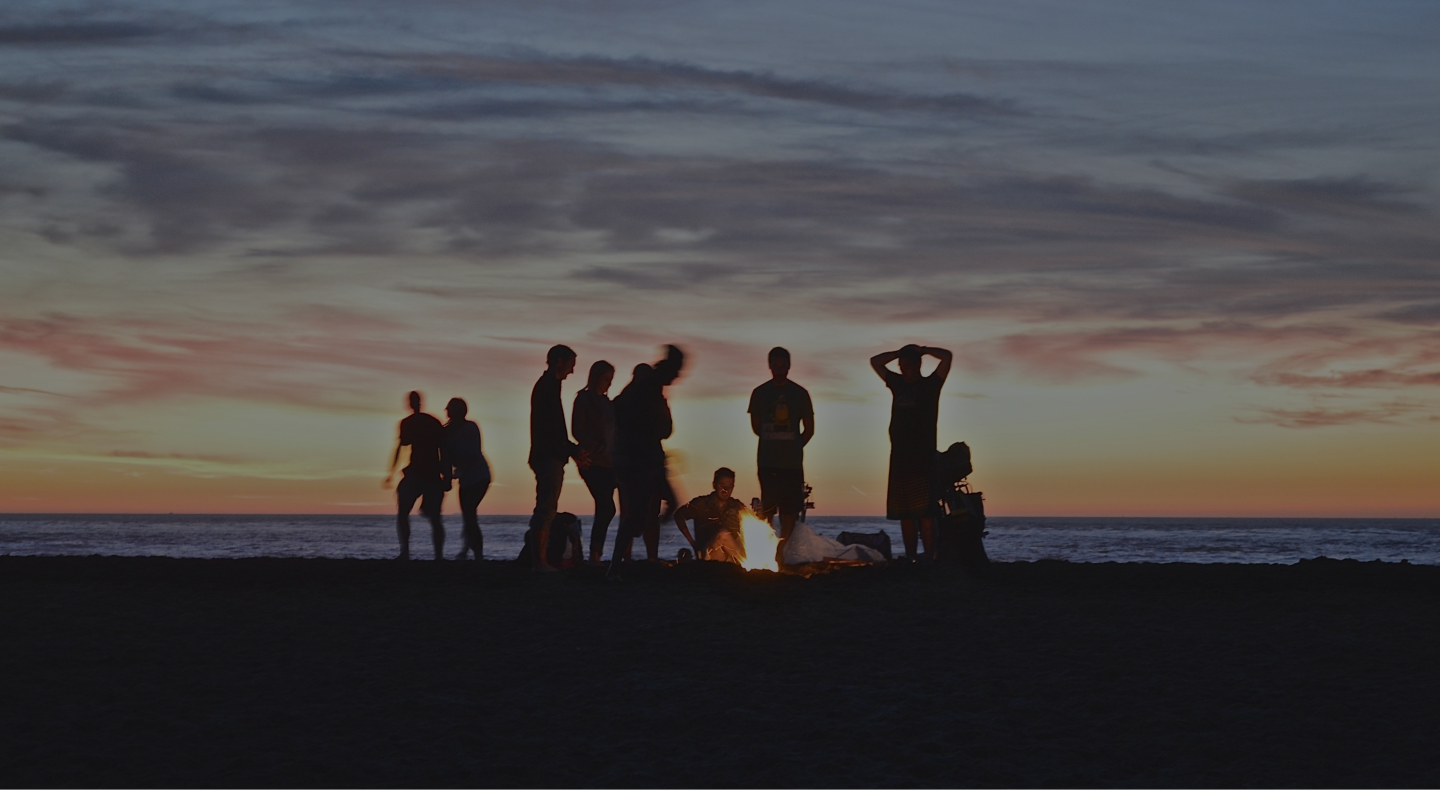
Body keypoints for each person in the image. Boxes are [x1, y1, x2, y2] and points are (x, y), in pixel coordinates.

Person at [870, 344, 953, 561]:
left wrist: (923, 349)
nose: (903, 369)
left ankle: (929, 556)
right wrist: (898, 353)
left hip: (922, 457)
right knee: (904, 514)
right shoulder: (897, 383)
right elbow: (875, 361)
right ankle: (910, 556)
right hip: (899, 457)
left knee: (925, 513)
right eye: (901, 366)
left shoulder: (930, 385)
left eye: (907, 365)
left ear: (917, 365)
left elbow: (947, 357)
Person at [608, 345, 684, 580]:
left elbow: (664, 428)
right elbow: (660, 428)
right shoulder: (647, 387)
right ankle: (615, 567)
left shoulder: (648, 390)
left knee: (663, 506)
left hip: (646, 459)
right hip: (640, 461)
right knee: (638, 516)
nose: (678, 377)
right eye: (677, 370)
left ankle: (618, 564)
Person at [528, 345, 590, 571]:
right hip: (548, 456)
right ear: (560, 362)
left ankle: (540, 561)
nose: (572, 372)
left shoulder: (549, 387)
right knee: (546, 507)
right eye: (571, 366)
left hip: (549, 454)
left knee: (547, 506)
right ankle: (539, 562)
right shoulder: (547, 388)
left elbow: (555, 430)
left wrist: (570, 450)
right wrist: (572, 450)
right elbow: (552, 429)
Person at [747, 347, 814, 541]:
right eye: (775, 365)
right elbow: (756, 426)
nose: (779, 369)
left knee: (790, 509)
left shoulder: (800, 394)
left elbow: (809, 429)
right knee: (768, 507)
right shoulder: (759, 393)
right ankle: (769, 546)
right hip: (767, 461)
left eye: (782, 365)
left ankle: (783, 549)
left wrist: (794, 446)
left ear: (789, 366)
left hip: (791, 463)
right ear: (769, 365)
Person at [382, 391, 449, 561]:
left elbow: (443, 449)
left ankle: (428, 554)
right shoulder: (422, 422)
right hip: (420, 473)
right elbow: (402, 447)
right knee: (413, 514)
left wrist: (447, 475)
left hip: (428, 473)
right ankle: (411, 552)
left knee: (430, 517)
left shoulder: (418, 422)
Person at [572, 360, 617, 564]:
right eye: (606, 379)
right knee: (606, 506)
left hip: (610, 462)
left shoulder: (608, 404)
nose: (608, 383)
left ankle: (596, 555)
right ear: (596, 377)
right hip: (592, 461)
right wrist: (595, 446)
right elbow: (576, 430)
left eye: (611, 380)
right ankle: (594, 554)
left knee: (606, 507)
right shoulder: (583, 399)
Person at [445, 397, 491, 561]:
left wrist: (454, 473)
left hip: (479, 475)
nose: (446, 411)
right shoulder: (447, 431)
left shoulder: (470, 427)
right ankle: (467, 549)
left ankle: (477, 553)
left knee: (470, 514)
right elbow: (447, 457)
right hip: (465, 477)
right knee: (468, 515)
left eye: (449, 408)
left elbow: (473, 452)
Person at [673, 468, 747, 564]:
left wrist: (759, 512)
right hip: (710, 555)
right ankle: (748, 564)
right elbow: (679, 516)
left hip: (732, 556)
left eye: (730, 487)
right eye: (722, 486)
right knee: (723, 534)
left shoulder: (737, 506)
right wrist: (693, 544)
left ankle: (747, 562)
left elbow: (755, 523)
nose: (726, 490)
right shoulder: (701, 504)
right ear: (714, 485)